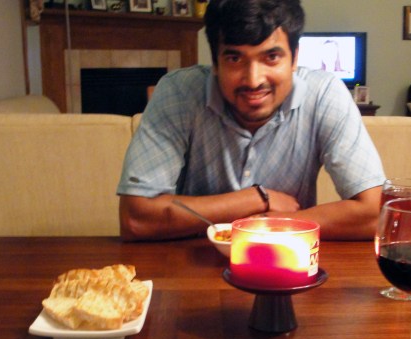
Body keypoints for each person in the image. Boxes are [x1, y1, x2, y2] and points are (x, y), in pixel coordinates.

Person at [117, 0, 385, 241]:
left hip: (289, 261)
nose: (254, 80)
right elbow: (135, 219)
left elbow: (376, 213)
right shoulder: (178, 93)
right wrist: (257, 198)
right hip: (189, 262)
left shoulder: (324, 94)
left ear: (295, 58)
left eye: (271, 57)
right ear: (215, 63)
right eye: (235, 58)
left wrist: (273, 224)